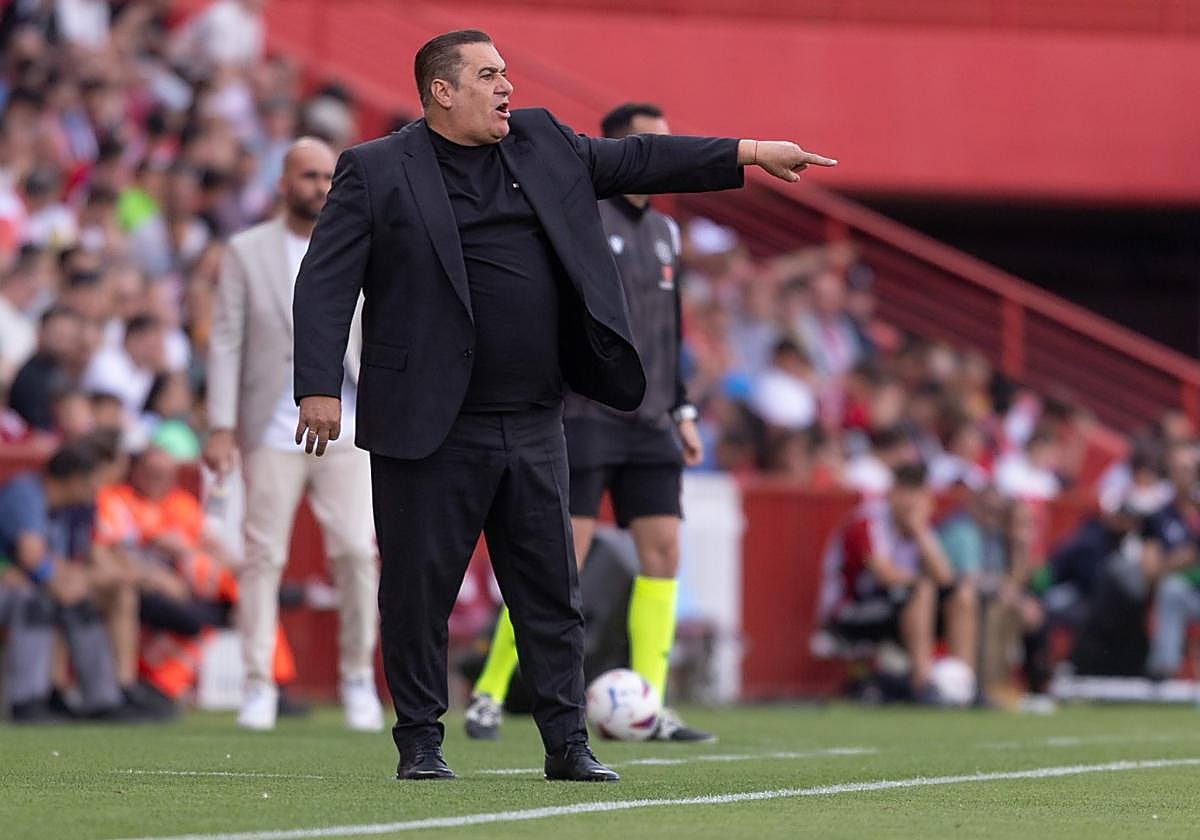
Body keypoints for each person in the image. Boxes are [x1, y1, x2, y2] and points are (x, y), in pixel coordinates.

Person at [292, 29, 834, 781]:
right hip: (429, 424)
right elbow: (325, 279)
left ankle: (567, 745)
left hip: (536, 417)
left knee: (553, 594)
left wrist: (747, 151)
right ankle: (420, 741)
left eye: (506, 72)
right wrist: (318, 384)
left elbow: (642, 158)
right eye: (488, 75)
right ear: (441, 91)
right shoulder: (377, 169)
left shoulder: (543, 143)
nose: (506, 86)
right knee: (419, 595)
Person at [465, 103, 713, 744]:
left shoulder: (667, 233)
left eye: (669, 142)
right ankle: (489, 693)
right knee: (555, 564)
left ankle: (651, 704)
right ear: (620, 148)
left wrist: (682, 407)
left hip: (652, 421)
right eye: (650, 144)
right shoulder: (578, 213)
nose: (663, 154)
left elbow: (672, 329)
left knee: (663, 552)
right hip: (585, 415)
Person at [204, 137, 381, 732]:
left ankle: (357, 675)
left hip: (347, 421)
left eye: (328, 176)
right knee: (262, 556)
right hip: (270, 423)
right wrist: (221, 425)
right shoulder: (247, 250)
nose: (319, 187)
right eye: (307, 176)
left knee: (357, 551)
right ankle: (258, 683)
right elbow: (226, 339)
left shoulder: (360, 240)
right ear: (283, 182)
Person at [819, 462, 978, 699]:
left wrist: (919, 531)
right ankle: (922, 684)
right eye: (905, 491)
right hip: (850, 609)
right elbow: (884, 575)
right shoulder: (869, 521)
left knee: (962, 595)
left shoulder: (920, 527)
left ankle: (966, 684)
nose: (910, 501)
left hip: (901, 605)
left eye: (917, 492)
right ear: (892, 493)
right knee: (922, 589)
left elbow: (945, 578)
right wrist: (923, 580)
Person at [0, 442, 134, 721]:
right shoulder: (26, 493)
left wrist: (73, 581)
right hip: (10, 586)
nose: (98, 488)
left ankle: (103, 700)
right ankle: (27, 700)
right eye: (94, 480)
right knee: (34, 597)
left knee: (76, 600)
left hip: (21, 585)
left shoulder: (66, 510)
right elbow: (32, 557)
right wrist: (65, 581)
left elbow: (63, 565)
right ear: (75, 479)